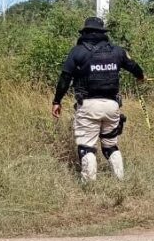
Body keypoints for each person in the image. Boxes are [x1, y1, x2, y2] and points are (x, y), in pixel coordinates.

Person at [52, 17, 145, 182]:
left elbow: (65, 79)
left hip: (88, 105)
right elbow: (135, 67)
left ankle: (89, 185)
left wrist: (57, 101)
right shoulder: (117, 51)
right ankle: (120, 181)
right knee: (110, 146)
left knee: (87, 147)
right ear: (103, 33)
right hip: (112, 106)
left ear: (85, 33)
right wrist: (141, 77)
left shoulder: (78, 52)